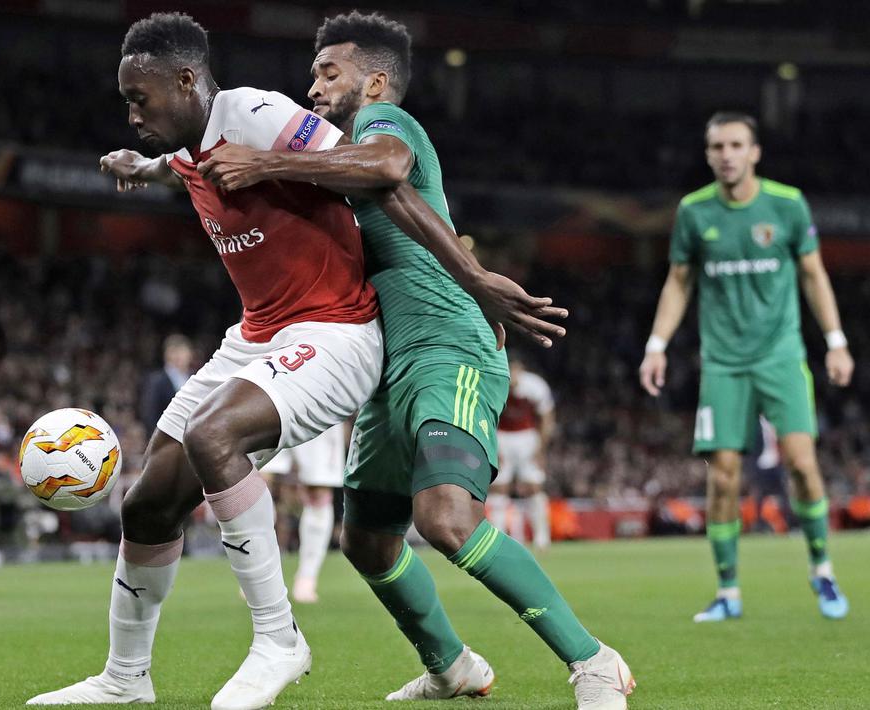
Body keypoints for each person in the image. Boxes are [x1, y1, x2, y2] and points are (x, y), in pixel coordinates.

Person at [28, 12, 563, 710]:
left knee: (213, 436)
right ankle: (125, 677)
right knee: (148, 501)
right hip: (255, 335)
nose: (131, 113)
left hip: (335, 329)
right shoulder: (191, 142)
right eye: (125, 102)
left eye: (140, 98)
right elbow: (188, 165)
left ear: (186, 80)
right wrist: (142, 167)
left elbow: (384, 179)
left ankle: (278, 639)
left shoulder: (255, 113)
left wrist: (472, 279)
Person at [197, 11, 632, 708]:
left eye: (327, 73)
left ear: (374, 81)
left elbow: (389, 168)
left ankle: (592, 660)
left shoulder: (385, 125)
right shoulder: (332, 162)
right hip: (384, 365)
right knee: (367, 541)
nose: (311, 88)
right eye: (311, 73)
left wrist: (266, 159)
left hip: (446, 349)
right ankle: (451, 665)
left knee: (446, 519)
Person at [639, 111, 854, 622]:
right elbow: (678, 281)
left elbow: (814, 275)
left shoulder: (786, 204)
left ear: (755, 152)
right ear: (708, 153)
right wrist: (656, 344)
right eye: (717, 147)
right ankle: (728, 592)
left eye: (736, 145)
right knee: (724, 476)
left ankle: (822, 570)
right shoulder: (694, 212)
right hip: (724, 364)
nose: (727, 155)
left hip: (781, 357)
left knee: (802, 464)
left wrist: (837, 341)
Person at [259, 422, 348, 603]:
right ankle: (258, 573)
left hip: (318, 400)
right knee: (259, 483)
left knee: (318, 489)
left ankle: (307, 578)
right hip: (271, 397)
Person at [491, 356, 556, 550]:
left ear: (522, 369)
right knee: (498, 487)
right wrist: (492, 447)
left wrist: (541, 449)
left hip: (527, 436)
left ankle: (542, 537)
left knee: (534, 485)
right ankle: (498, 536)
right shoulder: (495, 382)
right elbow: (487, 415)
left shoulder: (535, 386)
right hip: (501, 435)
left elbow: (546, 417)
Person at [139, 334, 194, 436]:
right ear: (166, 355)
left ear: (190, 354)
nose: (178, 356)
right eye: (173, 352)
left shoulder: (194, 378)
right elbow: (149, 414)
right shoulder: (156, 380)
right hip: (165, 440)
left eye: (181, 351)